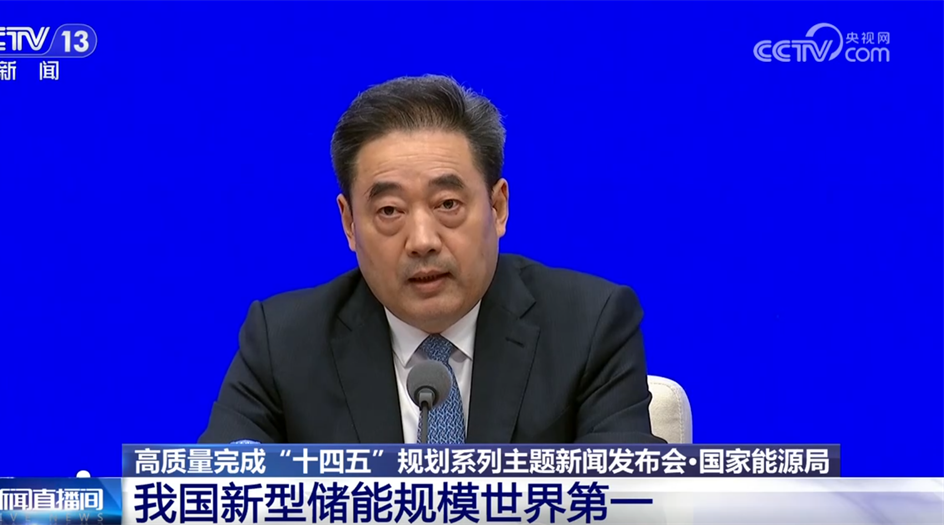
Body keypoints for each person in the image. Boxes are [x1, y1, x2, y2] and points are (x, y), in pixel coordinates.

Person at [199, 75, 664, 444]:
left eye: (448, 204)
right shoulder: (283, 343)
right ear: (349, 224)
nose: (422, 241)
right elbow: (218, 495)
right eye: (389, 211)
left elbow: (626, 500)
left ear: (498, 208)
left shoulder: (588, 326)